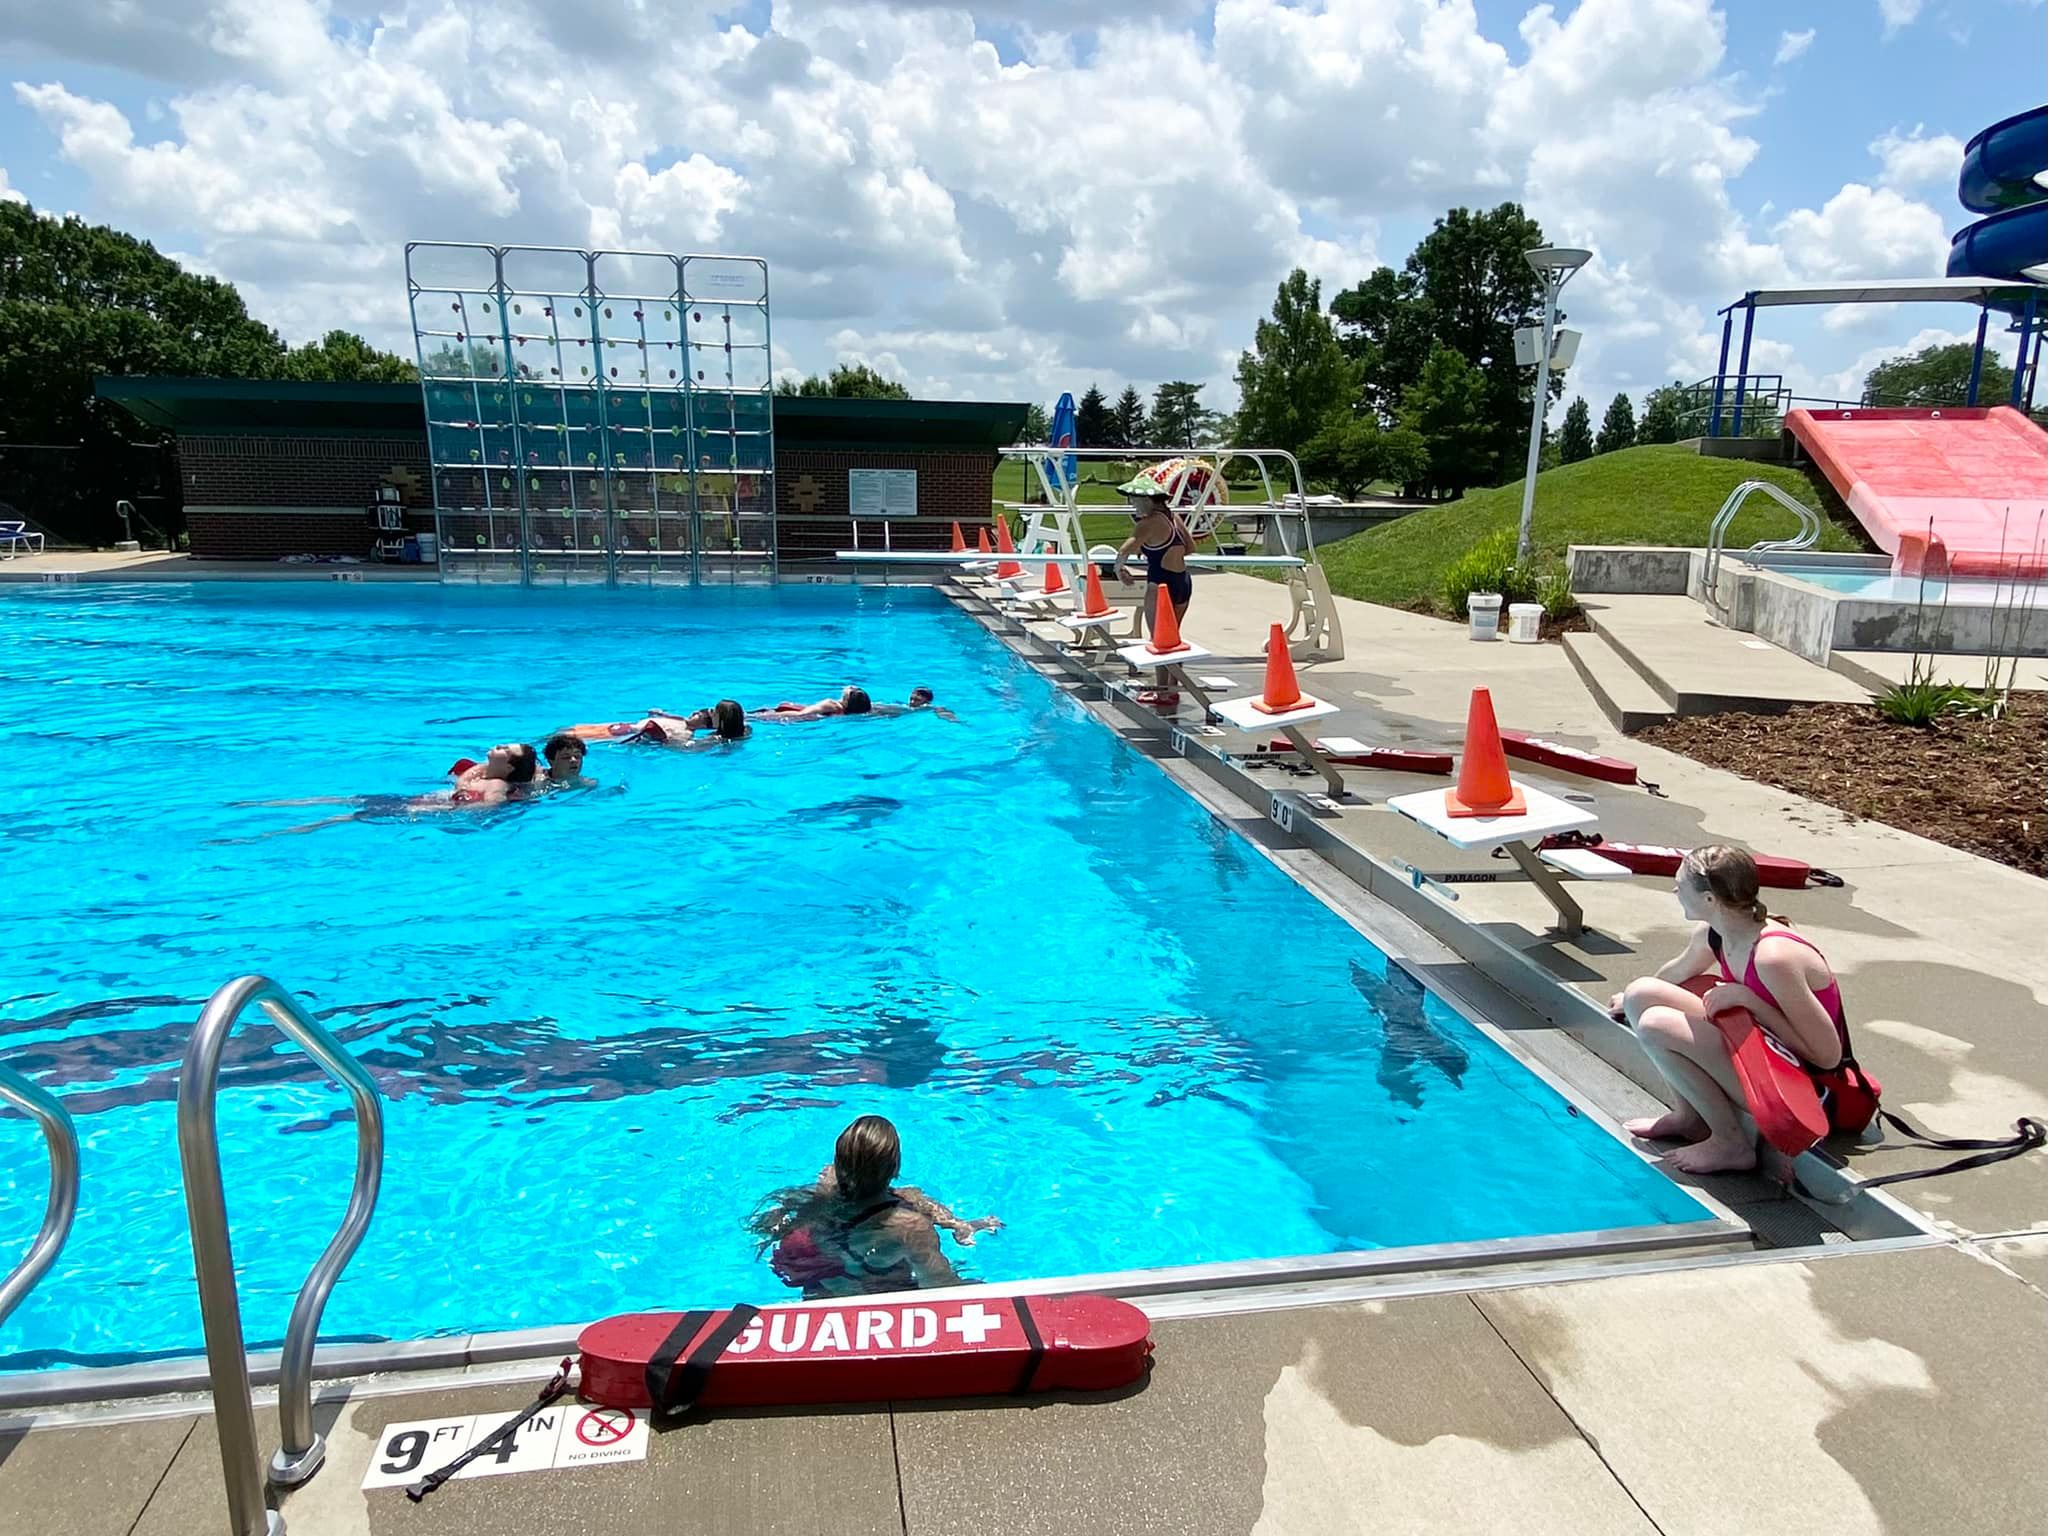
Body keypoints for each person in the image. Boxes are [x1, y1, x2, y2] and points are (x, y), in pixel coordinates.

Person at [1611, 845, 1848, 1174]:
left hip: (1801, 1086)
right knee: (1641, 993)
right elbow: (1676, 973)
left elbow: (1827, 1056)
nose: (1674, 888)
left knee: (1656, 1025)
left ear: (1709, 899)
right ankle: (1689, 1116)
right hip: (1758, 1048)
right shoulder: (1717, 933)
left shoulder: (1772, 957)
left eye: (1681, 883)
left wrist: (1751, 1002)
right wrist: (1627, 997)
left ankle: (1730, 1143)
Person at [745, 1115, 1000, 1299]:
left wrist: (956, 1223)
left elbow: (765, 1225)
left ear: (838, 1164)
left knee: (911, 1195)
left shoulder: (823, 1190)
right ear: (895, 1168)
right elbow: (939, 1286)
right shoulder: (908, 1227)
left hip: (820, 1292)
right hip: (870, 1296)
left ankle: (958, 1224)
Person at [227, 741, 539, 839]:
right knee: (349, 799)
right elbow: (461, 781)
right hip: (423, 800)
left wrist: (460, 804)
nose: (497, 745)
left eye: (505, 749)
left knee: (349, 815)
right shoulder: (480, 771)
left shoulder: (497, 783)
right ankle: (268, 804)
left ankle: (277, 832)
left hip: (428, 810)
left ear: (510, 766)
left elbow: (488, 807)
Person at [1115, 480, 1195, 706]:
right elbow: (1190, 547)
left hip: (1160, 585)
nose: (1131, 504)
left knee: (1160, 641)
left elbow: (1124, 550)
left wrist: (1119, 569)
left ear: (1148, 500)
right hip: (1182, 581)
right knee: (1174, 639)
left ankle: (1161, 692)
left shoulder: (1147, 523)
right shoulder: (1173, 518)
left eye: (1134, 499)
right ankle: (1173, 688)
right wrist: (1155, 548)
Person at [570, 699, 749, 746]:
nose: (705, 710)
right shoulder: (685, 722)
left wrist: (662, 737)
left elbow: (683, 747)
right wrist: (662, 714)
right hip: (619, 725)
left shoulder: (688, 734)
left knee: (567, 736)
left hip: (620, 733)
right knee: (568, 730)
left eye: (712, 712)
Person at [750, 686, 872, 722]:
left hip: (785, 715)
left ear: (847, 698)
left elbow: (801, 714)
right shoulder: (849, 711)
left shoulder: (831, 705)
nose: (850, 686)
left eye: (851, 689)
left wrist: (765, 715)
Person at [870, 687, 957, 722]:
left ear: (927, 701)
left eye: (916, 700)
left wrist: (952, 719)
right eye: (911, 699)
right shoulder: (906, 706)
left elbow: (940, 710)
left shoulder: (927, 707)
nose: (912, 702)